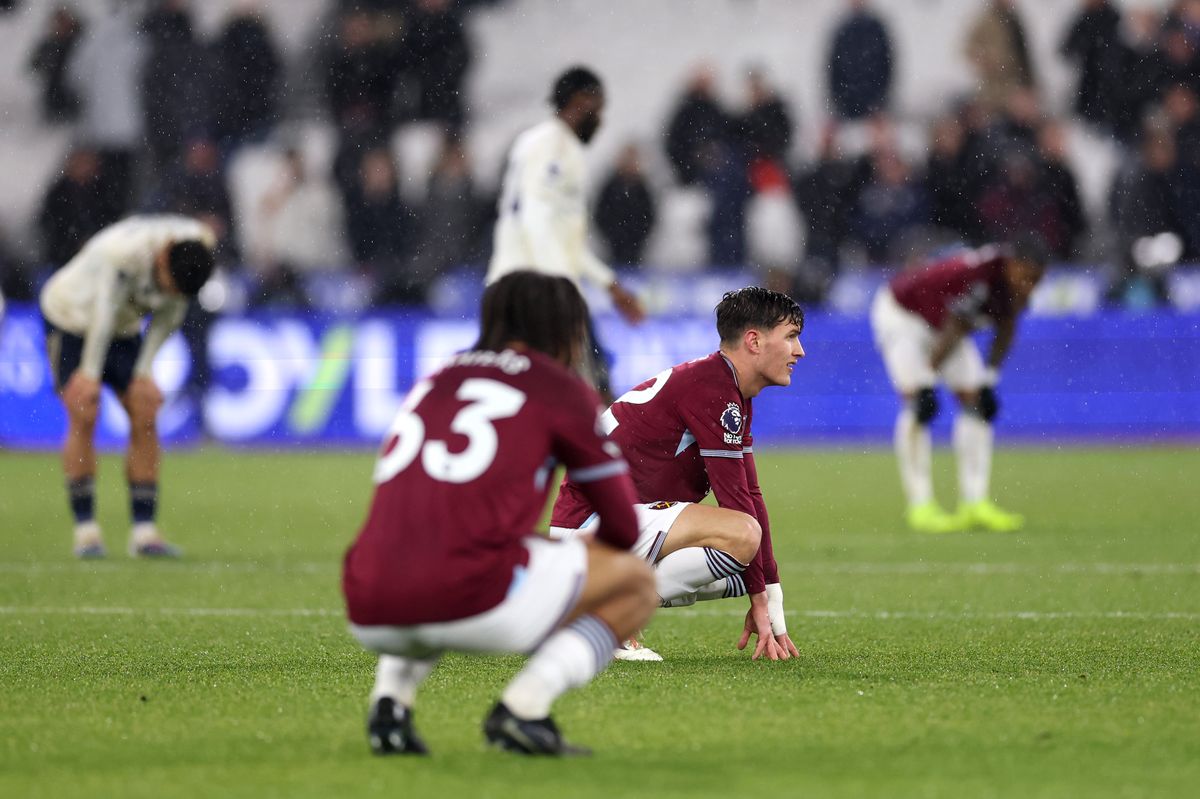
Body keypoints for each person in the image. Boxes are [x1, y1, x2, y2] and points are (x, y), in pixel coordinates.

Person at [342, 271, 656, 757]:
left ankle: (390, 705)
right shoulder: (560, 389)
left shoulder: (439, 378)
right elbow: (623, 525)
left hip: (366, 600)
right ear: (568, 328)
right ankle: (524, 709)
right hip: (470, 599)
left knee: (429, 550)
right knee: (637, 583)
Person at [550, 287, 805, 663]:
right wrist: (762, 599)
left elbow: (751, 493)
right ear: (754, 341)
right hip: (588, 527)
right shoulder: (713, 389)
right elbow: (738, 508)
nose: (799, 351)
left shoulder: (723, 386)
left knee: (741, 570)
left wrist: (770, 601)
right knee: (743, 537)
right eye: (791, 337)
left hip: (611, 526)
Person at [39, 215, 216, 558]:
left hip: (121, 327)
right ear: (162, 257)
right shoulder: (123, 254)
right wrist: (89, 374)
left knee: (145, 409)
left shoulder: (194, 251)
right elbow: (103, 312)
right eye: (166, 285)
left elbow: (171, 313)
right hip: (71, 316)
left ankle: (144, 533)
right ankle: (86, 532)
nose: (167, 294)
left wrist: (144, 372)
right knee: (84, 409)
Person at [487, 66, 645, 403]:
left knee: (531, 398)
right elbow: (536, 217)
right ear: (580, 101)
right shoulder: (556, 147)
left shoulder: (535, 142)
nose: (600, 120)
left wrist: (608, 283)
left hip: (510, 287)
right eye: (598, 108)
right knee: (591, 390)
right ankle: (603, 456)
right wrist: (561, 292)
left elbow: (558, 235)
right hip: (538, 290)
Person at [869, 237, 1047, 534]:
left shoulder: (1017, 281)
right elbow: (955, 326)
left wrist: (990, 379)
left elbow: (1007, 325)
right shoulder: (982, 277)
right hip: (903, 314)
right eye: (1027, 277)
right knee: (918, 404)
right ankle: (921, 505)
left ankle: (974, 503)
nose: (1030, 285)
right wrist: (927, 381)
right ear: (1012, 265)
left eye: (1036, 280)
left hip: (941, 324)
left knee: (978, 402)